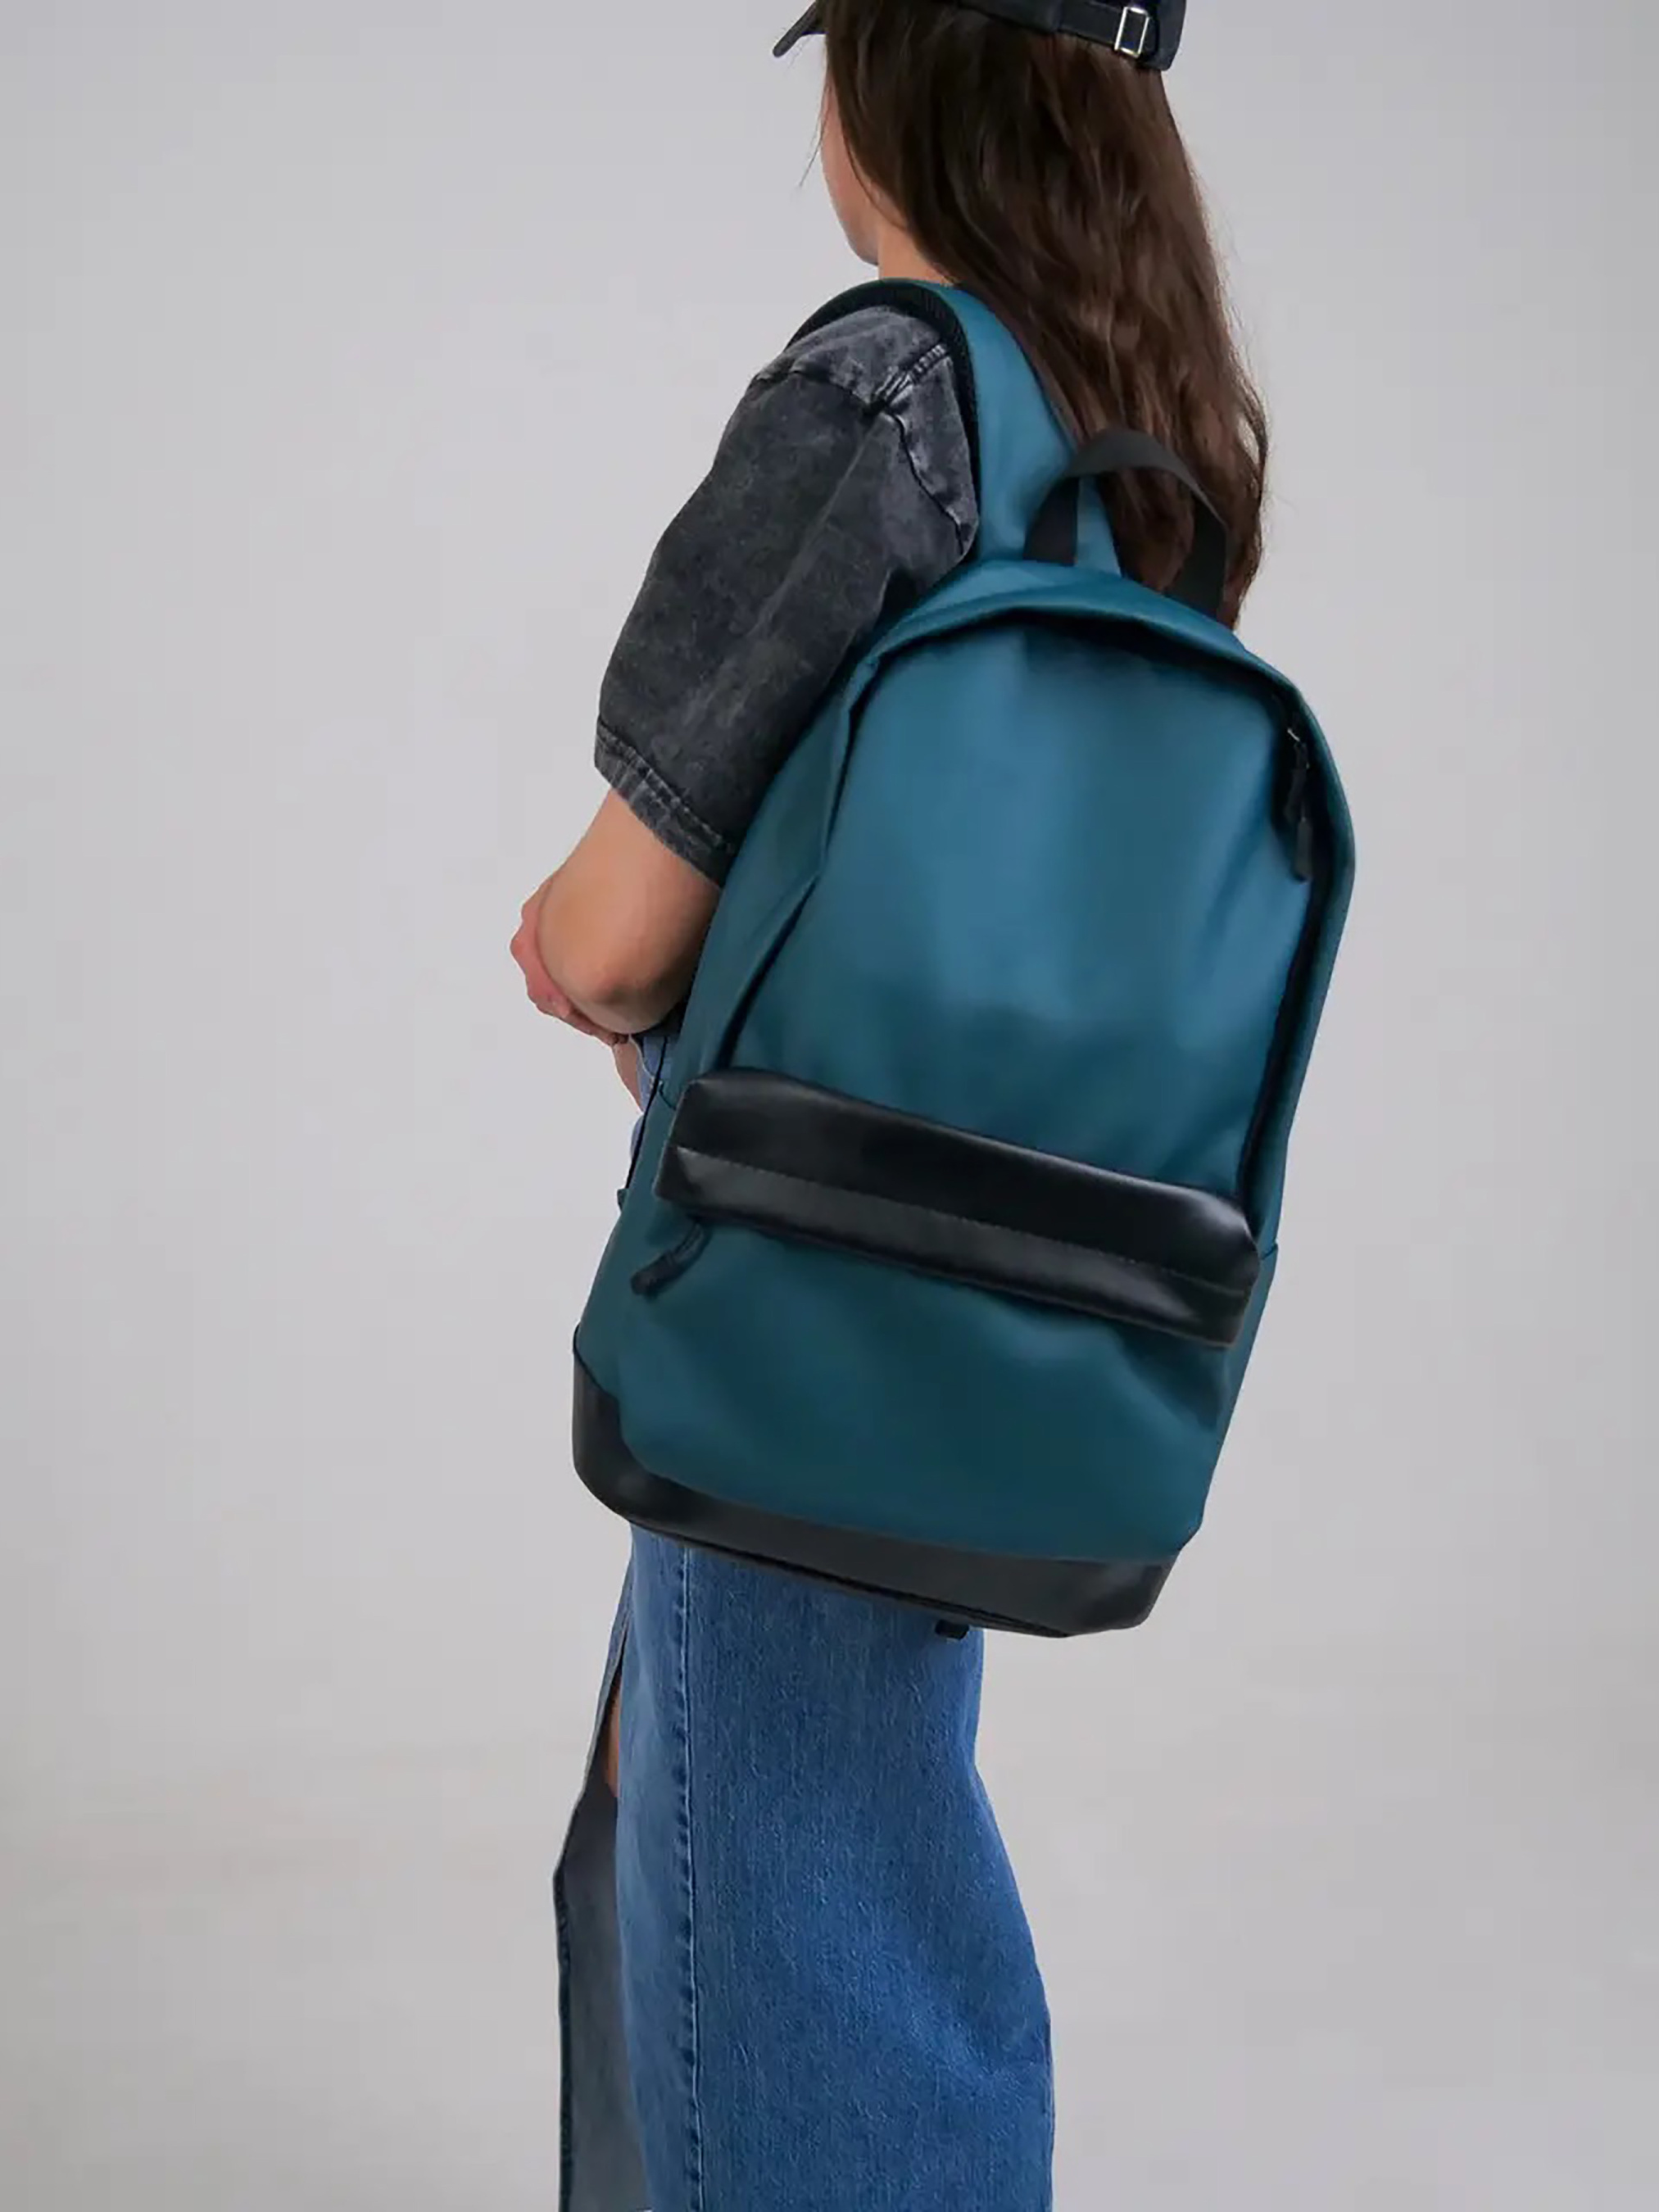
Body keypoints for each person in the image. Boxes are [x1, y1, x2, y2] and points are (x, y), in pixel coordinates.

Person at [510, 6, 1267, 2206]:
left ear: (901, 78)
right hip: (1015, 1298)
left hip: (797, 1292)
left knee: (782, 1903)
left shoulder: (886, 390)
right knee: (810, 1842)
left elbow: (621, 927)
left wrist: (564, 941)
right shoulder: (1141, 448)